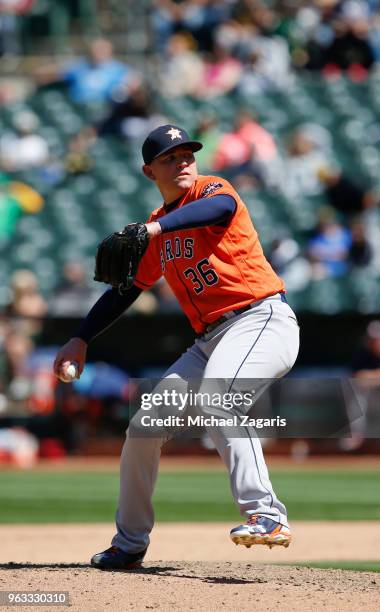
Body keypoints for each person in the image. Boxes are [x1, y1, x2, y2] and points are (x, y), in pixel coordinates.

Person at [53, 124, 300, 570]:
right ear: (150, 171)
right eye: (170, 158)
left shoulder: (212, 189)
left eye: (187, 153)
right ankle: (129, 543)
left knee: (219, 399)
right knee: (143, 430)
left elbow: (220, 208)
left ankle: (267, 516)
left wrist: (153, 228)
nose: (183, 161)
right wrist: (80, 337)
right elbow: (126, 290)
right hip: (209, 340)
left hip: (260, 319)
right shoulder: (159, 229)